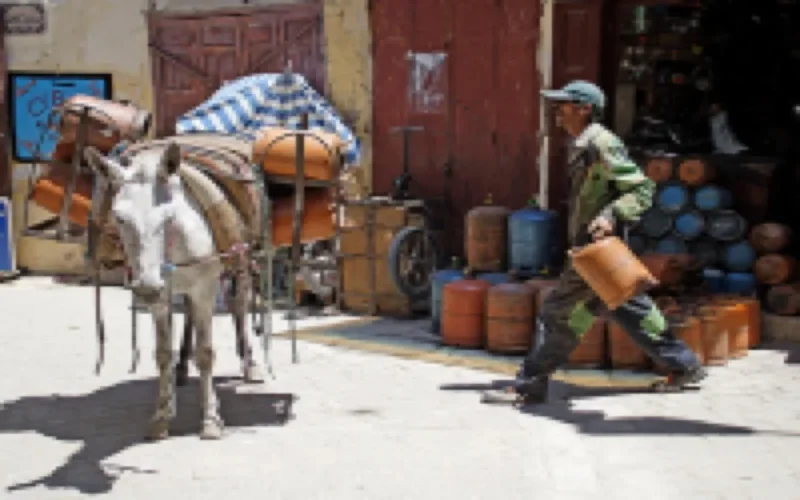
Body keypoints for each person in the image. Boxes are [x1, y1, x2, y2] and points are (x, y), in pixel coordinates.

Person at [484, 80, 706, 404]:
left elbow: (641, 188)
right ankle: (685, 365)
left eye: (564, 104)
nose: (557, 111)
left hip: (597, 250)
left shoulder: (601, 143)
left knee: (557, 313)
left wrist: (610, 215)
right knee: (629, 309)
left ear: (584, 109)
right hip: (592, 250)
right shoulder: (582, 143)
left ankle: (530, 383)